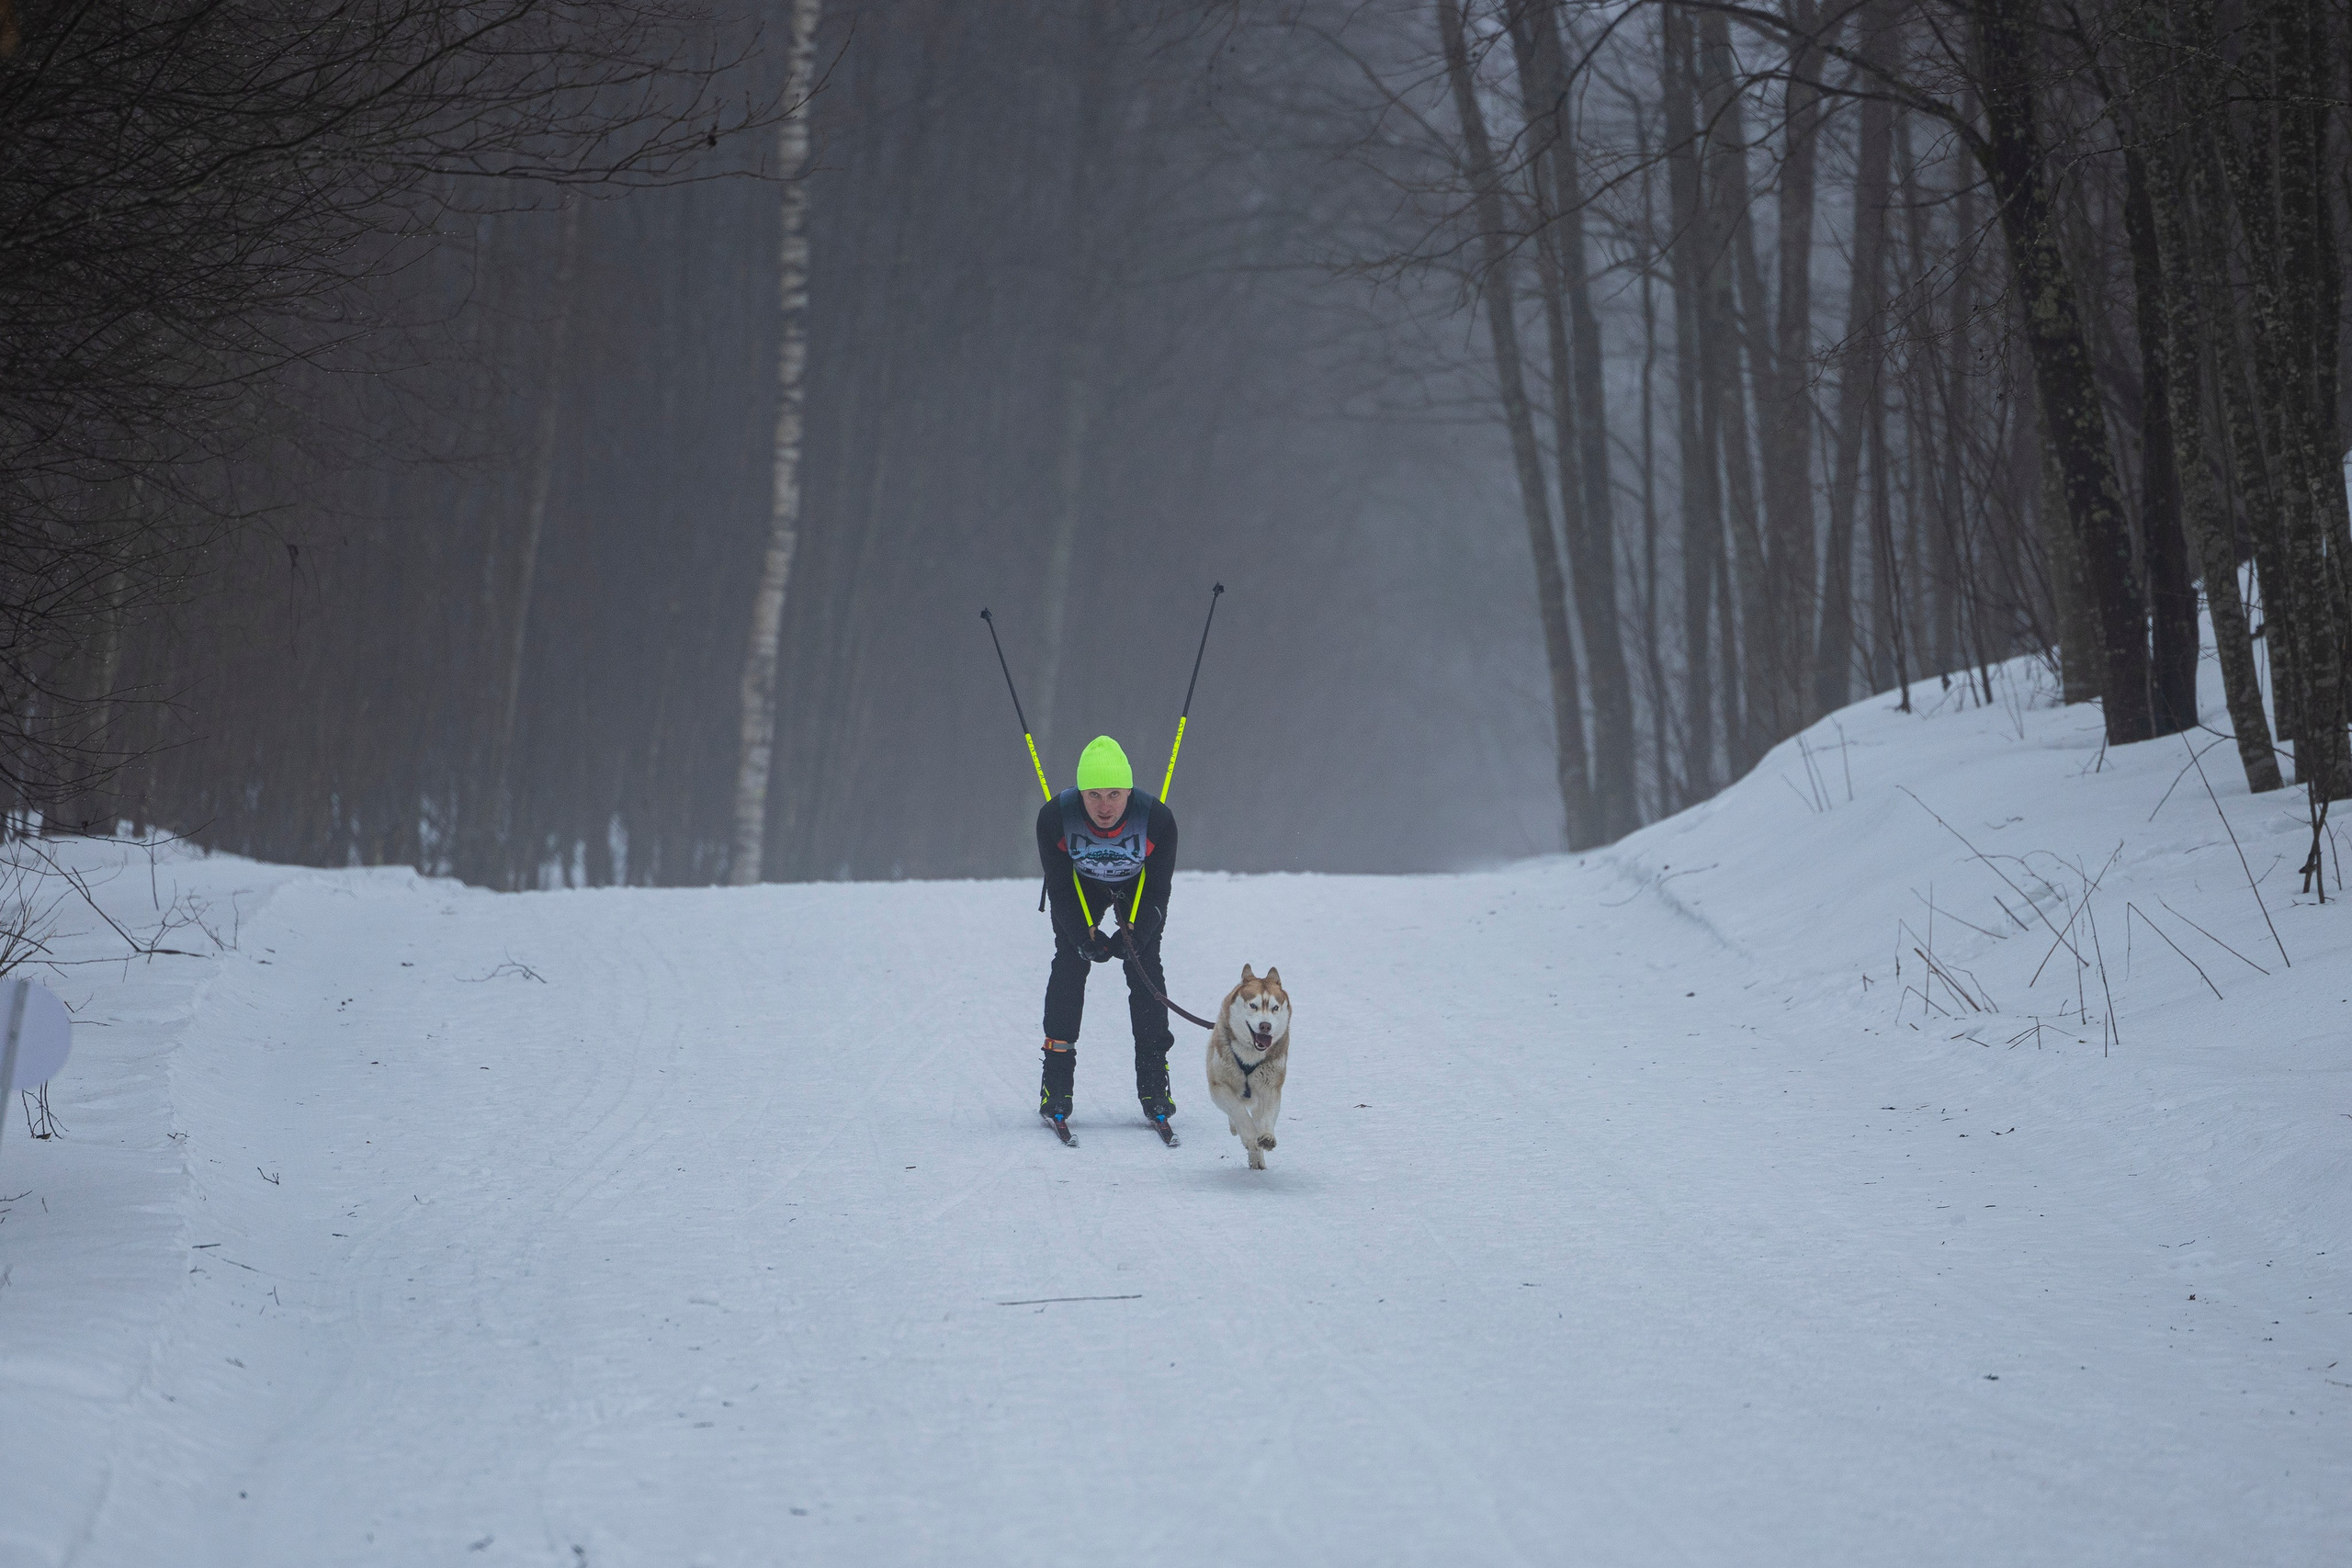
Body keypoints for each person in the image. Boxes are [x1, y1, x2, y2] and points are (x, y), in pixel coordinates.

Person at [1036, 735, 1178, 1131]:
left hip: (1138, 886)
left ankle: (1154, 1083)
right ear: (1080, 793)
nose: (1104, 806)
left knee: (1144, 963)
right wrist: (1085, 936)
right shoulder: (1054, 818)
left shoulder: (1158, 820)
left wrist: (1135, 933)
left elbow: (1157, 891)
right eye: (1093, 794)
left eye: (1114, 794)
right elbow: (1061, 888)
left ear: (1129, 791)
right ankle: (1056, 1083)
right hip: (1080, 888)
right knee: (1070, 961)